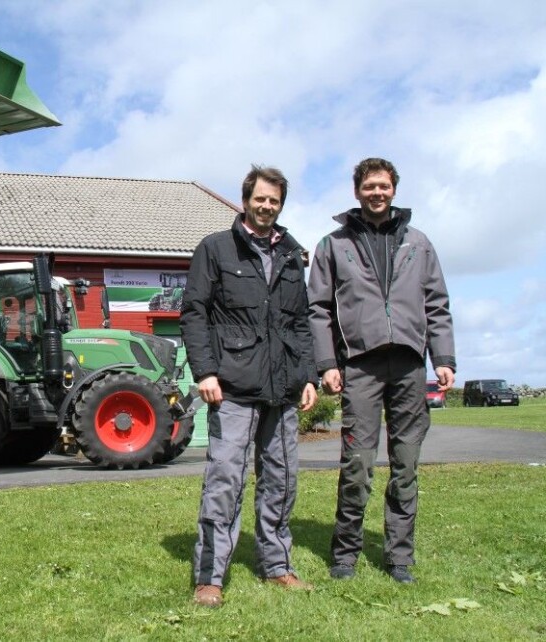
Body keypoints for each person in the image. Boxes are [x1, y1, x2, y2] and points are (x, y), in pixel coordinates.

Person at [307, 157, 456, 584]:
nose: (377, 192)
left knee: (406, 465)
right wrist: (327, 364)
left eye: (384, 186)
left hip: (409, 364)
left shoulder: (419, 243)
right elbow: (317, 309)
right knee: (356, 464)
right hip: (360, 367)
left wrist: (443, 359)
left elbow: (437, 305)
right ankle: (346, 554)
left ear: (394, 190)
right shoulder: (333, 245)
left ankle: (400, 557)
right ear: (357, 191)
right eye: (369, 186)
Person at [181, 165, 317, 607]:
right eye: (260, 198)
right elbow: (195, 313)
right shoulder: (216, 249)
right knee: (225, 479)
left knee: (280, 480)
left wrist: (309, 375)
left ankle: (277, 566)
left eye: (274, 200)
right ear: (246, 200)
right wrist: (205, 371)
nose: (267, 206)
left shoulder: (293, 255)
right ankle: (210, 577)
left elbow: (300, 323)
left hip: (283, 390)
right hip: (234, 386)